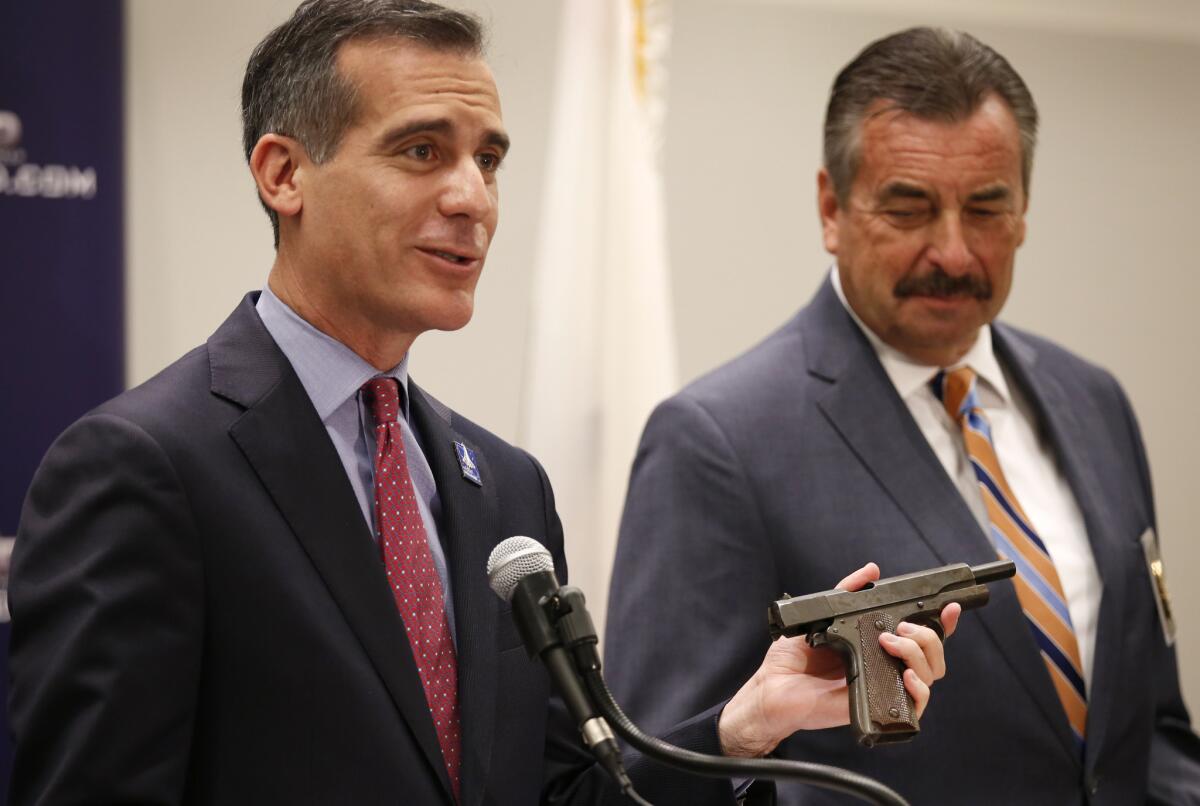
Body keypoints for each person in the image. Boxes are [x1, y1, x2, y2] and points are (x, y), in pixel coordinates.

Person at [6, 4, 956, 804]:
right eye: (422, 150)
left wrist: (748, 726)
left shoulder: (505, 491)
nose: (473, 197)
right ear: (283, 174)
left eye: (489, 159)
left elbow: (560, 793)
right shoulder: (144, 467)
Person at [606, 25, 1200, 806]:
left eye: (986, 209)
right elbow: (652, 777)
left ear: (1024, 210)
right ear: (831, 206)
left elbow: (1147, 729)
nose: (953, 253)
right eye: (910, 208)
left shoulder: (1093, 402)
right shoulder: (718, 440)